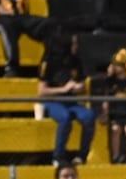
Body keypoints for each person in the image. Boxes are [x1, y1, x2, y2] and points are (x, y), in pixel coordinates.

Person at [37, 29, 96, 166]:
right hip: (53, 101)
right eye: (73, 43)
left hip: (71, 100)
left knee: (89, 116)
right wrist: (63, 89)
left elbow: (82, 83)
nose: (76, 46)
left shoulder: (76, 60)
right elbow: (42, 91)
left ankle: (82, 155)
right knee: (65, 117)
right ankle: (58, 156)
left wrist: (79, 87)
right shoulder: (48, 61)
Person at [101, 50, 126, 164]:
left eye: (118, 65)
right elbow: (106, 99)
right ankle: (116, 156)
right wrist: (105, 113)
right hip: (115, 111)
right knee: (115, 129)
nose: (115, 67)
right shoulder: (110, 81)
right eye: (114, 64)